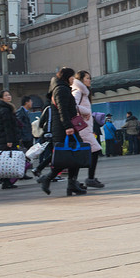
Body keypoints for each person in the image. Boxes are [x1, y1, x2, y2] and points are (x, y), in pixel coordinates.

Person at [36, 67, 88, 196]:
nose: (73, 80)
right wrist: (68, 127)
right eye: (72, 77)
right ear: (66, 77)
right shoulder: (61, 89)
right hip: (65, 129)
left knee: (71, 156)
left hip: (64, 127)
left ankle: (71, 184)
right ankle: (49, 179)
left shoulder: (60, 88)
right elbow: (62, 110)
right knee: (70, 156)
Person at [73, 70, 105, 188]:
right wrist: (87, 112)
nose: (89, 80)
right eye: (87, 78)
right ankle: (89, 178)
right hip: (82, 128)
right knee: (94, 150)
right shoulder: (78, 91)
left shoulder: (83, 92)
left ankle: (76, 180)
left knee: (83, 153)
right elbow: (72, 105)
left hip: (85, 127)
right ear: (81, 79)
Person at [0, 90, 20, 189]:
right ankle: (6, 181)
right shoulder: (5, 110)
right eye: (6, 95)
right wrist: (9, 140)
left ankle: (5, 180)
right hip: (6, 138)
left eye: (9, 94)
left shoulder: (5, 108)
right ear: (1, 98)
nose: (9, 96)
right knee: (8, 160)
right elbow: (7, 126)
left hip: (4, 138)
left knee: (6, 159)